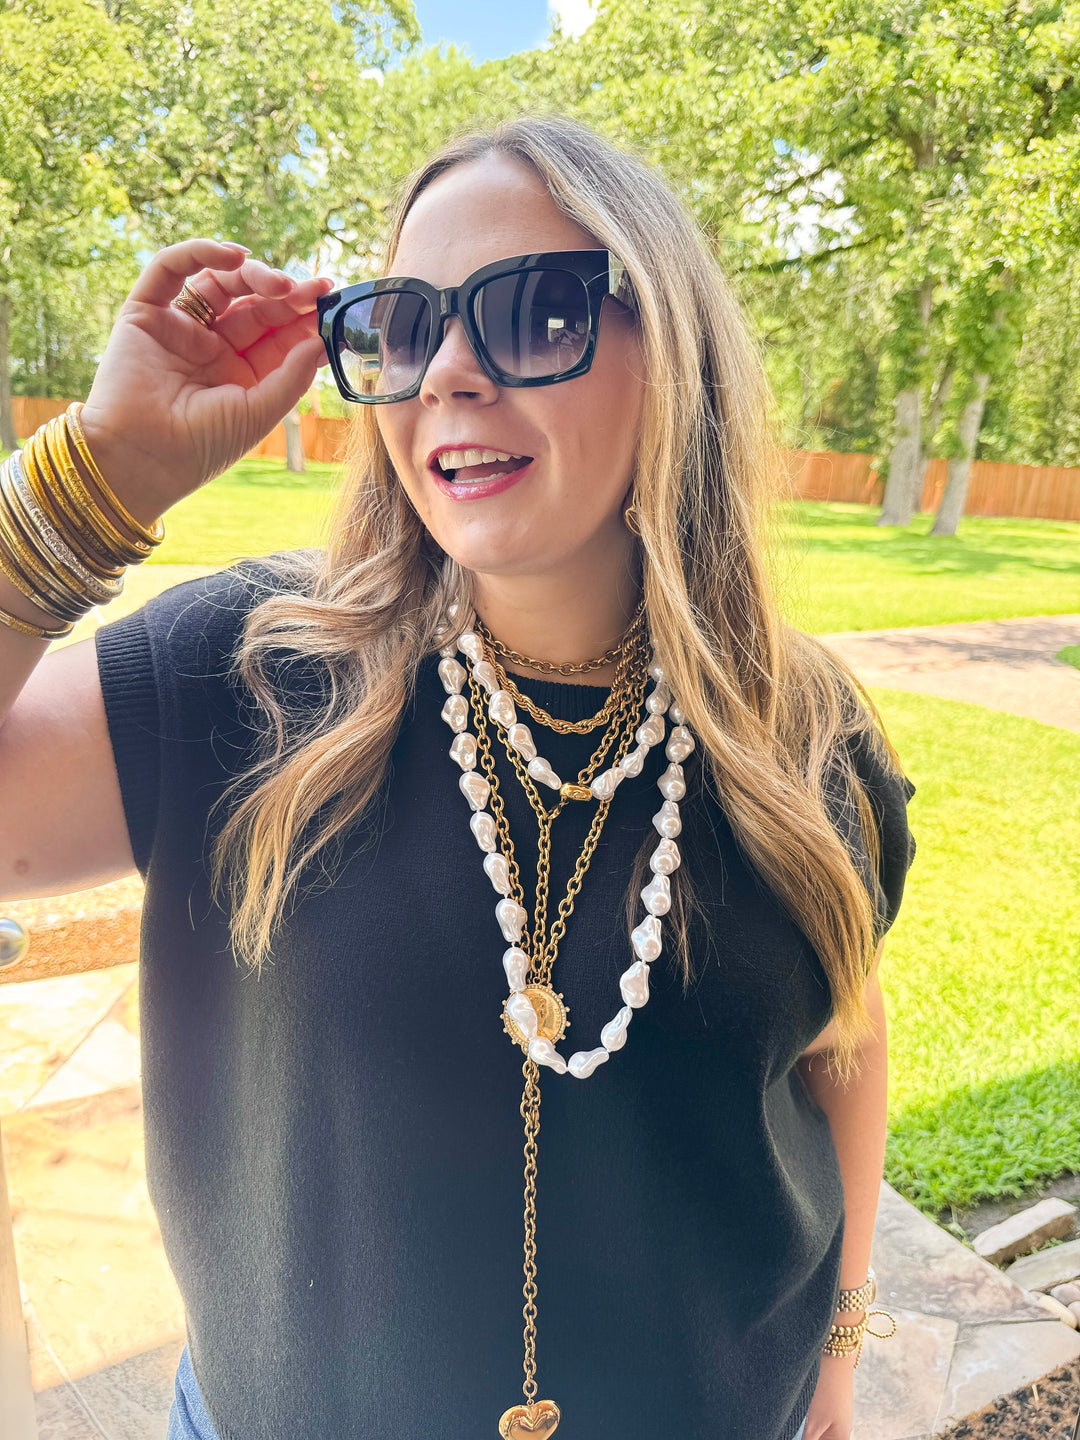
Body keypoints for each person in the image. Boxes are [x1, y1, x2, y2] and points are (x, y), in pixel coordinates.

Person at [0, 114, 914, 1440]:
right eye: (404, 326)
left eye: (535, 312)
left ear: (674, 349)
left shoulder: (808, 733)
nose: (449, 374)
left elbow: (841, 1034)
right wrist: (102, 477)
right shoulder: (248, 675)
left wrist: (842, 1344)